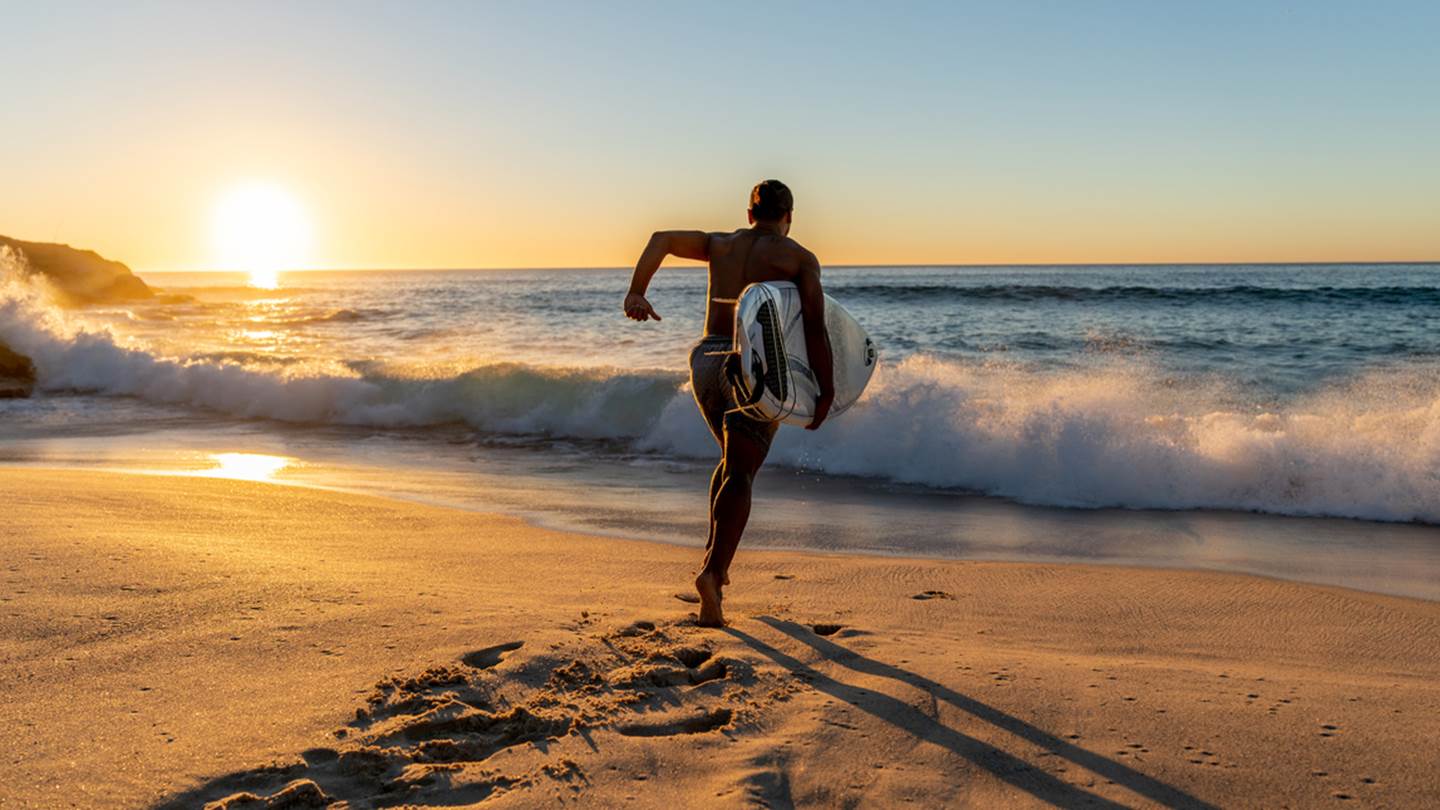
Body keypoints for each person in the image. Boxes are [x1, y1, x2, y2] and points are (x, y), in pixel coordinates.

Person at [623, 179, 834, 627]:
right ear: (789, 217)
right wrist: (826, 390)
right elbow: (815, 329)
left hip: (705, 360)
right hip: (750, 368)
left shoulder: (720, 245)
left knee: (730, 462)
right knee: (742, 470)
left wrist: (637, 290)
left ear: (749, 213)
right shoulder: (798, 258)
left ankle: (711, 565)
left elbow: (660, 239)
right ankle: (713, 576)